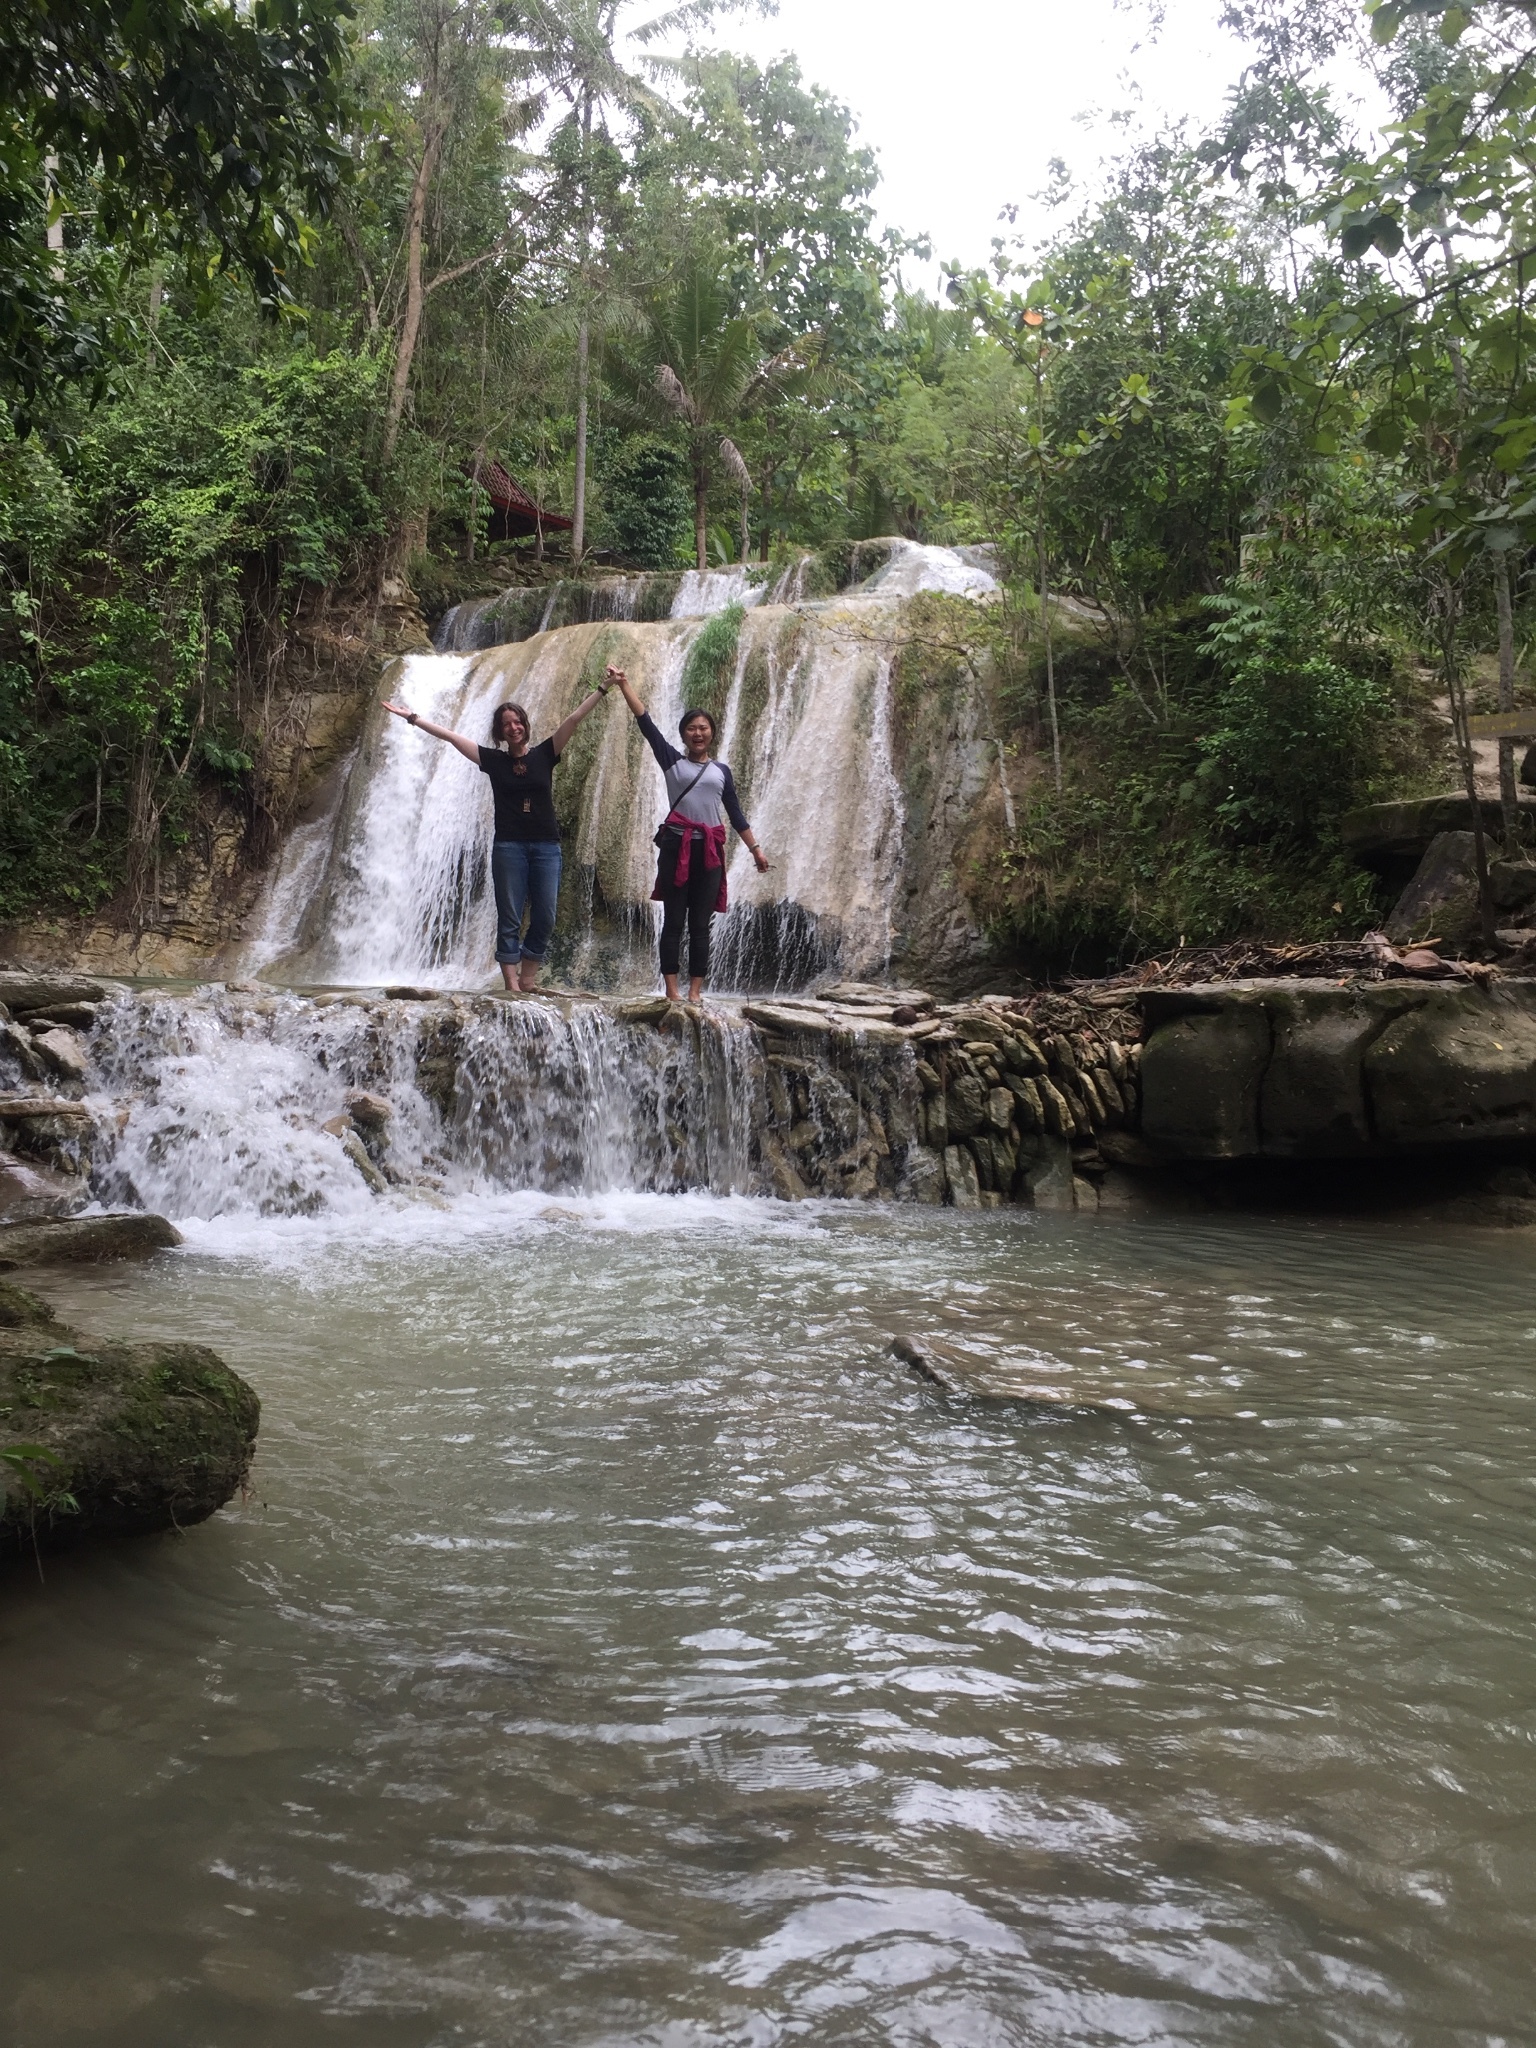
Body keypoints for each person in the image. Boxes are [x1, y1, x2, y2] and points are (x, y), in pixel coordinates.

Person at [381, 681, 610, 991]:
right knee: (510, 915)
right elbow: (450, 736)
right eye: (506, 725)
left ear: (525, 725)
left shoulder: (546, 753)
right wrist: (412, 717)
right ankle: (512, 984)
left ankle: (528, 978)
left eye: (517, 722)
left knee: (546, 916)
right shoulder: (494, 761)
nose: (513, 728)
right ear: (500, 732)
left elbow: (574, 719)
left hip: (546, 846)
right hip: (509, 847)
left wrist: (603, 688)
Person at [607, 664, 770, 1003]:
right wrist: (624, 684)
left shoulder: (721, 771)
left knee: (700, 924)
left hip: (709, 852)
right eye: (692, 729)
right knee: (673, 921)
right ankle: (672, 990)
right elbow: (646, 724)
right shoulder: (671, 761)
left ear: (711, 733)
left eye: (704, 728)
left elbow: (735, 813)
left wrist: (755, 849)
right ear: (683, 735)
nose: (698, 733)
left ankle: (695, 992)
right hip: (676, 846)